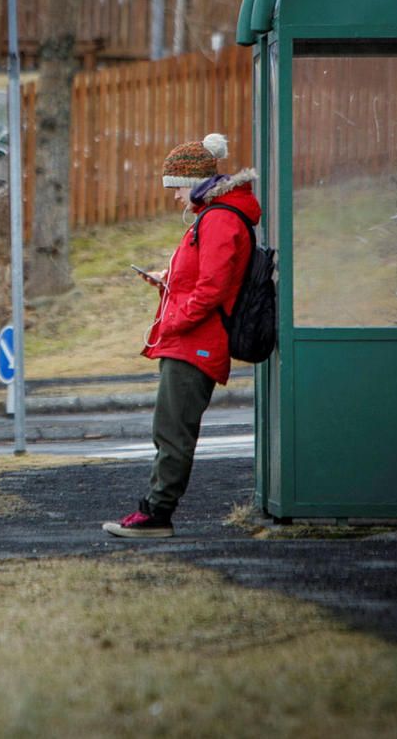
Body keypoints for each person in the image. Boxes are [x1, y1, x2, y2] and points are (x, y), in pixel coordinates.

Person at [104, 132, 260, 539]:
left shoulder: (220, 219)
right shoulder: (215, 216)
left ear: (194, 183)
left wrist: (175, 319)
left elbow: (212, 289)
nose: (175, 198)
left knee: (172, 431)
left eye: (176, 188)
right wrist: (167, 279)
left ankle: (157, 514)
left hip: (197, 340)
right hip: (191, 337)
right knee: (169, 428)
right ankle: (155, 509)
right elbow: (205, 279)